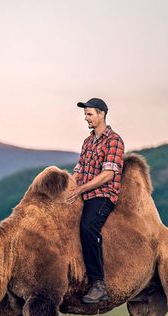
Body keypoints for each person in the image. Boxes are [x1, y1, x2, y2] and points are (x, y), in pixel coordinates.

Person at [67, 97, 125, 304]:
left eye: (89, 114)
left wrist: (82, 188)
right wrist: (69, 188)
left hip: (103, 195)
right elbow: (79, 170)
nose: (86, 119)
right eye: (85, 115)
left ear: (101, 114)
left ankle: (98, 284)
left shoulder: (114, 140)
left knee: (88, 227)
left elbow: (108, 174)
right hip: (85, 194)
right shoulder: (87, 142)